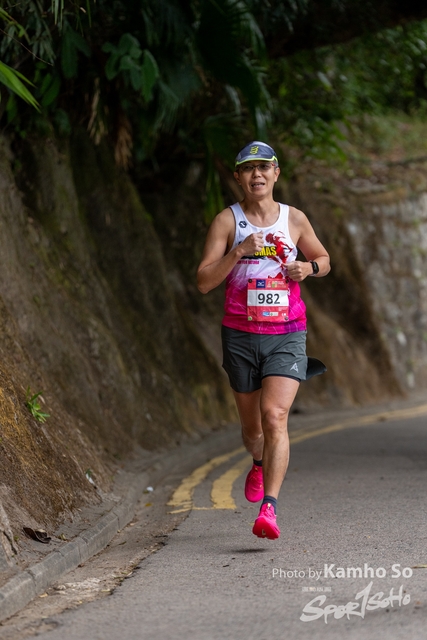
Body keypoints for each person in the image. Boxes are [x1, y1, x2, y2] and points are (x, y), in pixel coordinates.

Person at [197, 141, 330, 540]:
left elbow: (324, 260)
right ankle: (257, 461)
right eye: (248, 168)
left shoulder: (295, 219)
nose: (257, 174)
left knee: (275, 417)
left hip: (287, 334)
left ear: (275, 173)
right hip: (240, 335)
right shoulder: (227, 221)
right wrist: (239, 251)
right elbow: (204, 282)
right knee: (253, 430)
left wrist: (307, 268)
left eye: (264, 167)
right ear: (238, 177)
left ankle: (269, 508)